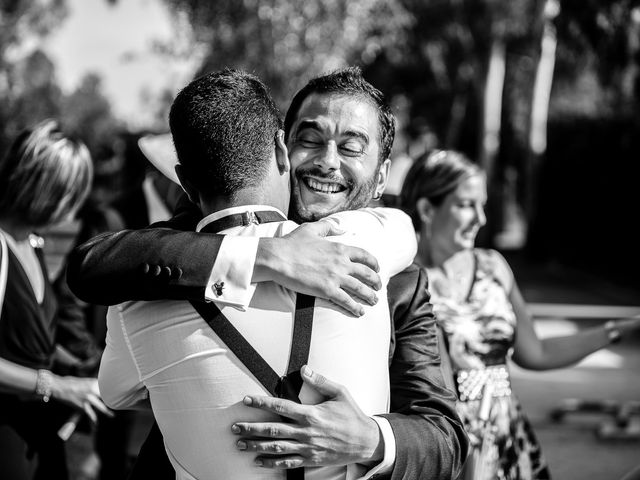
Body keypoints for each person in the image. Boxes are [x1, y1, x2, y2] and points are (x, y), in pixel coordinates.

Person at [68, 67, 468, 480]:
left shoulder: (400, 277)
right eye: (310, 140)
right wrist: (268, 256)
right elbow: (96, 264)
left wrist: (370, 438)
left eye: (350, 148)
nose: (327, 162)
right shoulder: (196, 233)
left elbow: (444, 438)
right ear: (281, 148)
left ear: (382, 175)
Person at [399, 149, 640, 480]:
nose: (481, 219)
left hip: (509, 438)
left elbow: (535, 352)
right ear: (427, 208)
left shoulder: (493, 266)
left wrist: (618, 331)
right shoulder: (408, 283)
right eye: (466, 204)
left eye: (482, 204)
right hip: (449, 444)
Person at [0, 119, 111, 480]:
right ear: (44, 188)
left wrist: (89, 375)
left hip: (38, 435)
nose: (73, 210)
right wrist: (58, 386)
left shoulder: (32, 243)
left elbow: (28, 342)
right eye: (70, 195)